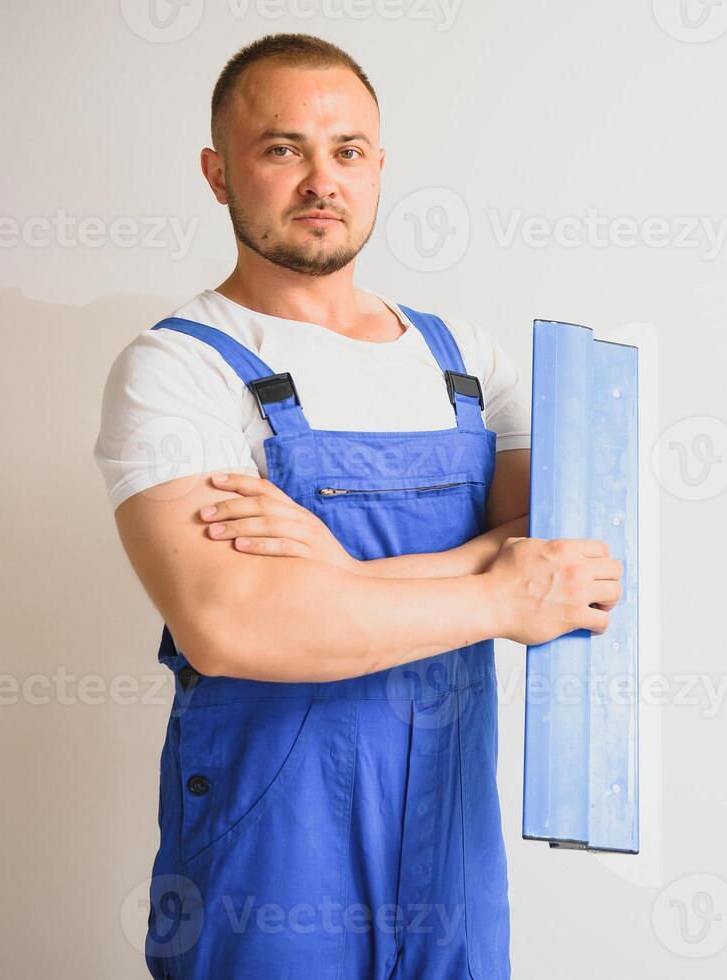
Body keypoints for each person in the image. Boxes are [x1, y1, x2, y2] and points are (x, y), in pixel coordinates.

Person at [92, 32, 622, 980]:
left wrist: (334, 577)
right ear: (219, 173)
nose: (319, 180)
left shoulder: (464, 358)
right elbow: (231, 622)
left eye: (347, 152)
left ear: (379, 168)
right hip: (270, 853)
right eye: (281, 148)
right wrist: (498, 593)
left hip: (452, 849)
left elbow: (575, 547)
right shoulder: (178, 368)